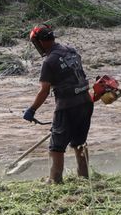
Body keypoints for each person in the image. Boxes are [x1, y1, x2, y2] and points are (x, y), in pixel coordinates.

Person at [23, 24, 94, 184]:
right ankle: (84, 178)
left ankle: (55, 180)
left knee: (56, 146)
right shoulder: (70, 50)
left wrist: (32, 110)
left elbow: (44, 91)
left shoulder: (49, 61)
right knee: (79, 142)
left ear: (40, 42)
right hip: (86, 102)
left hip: (67, 106)